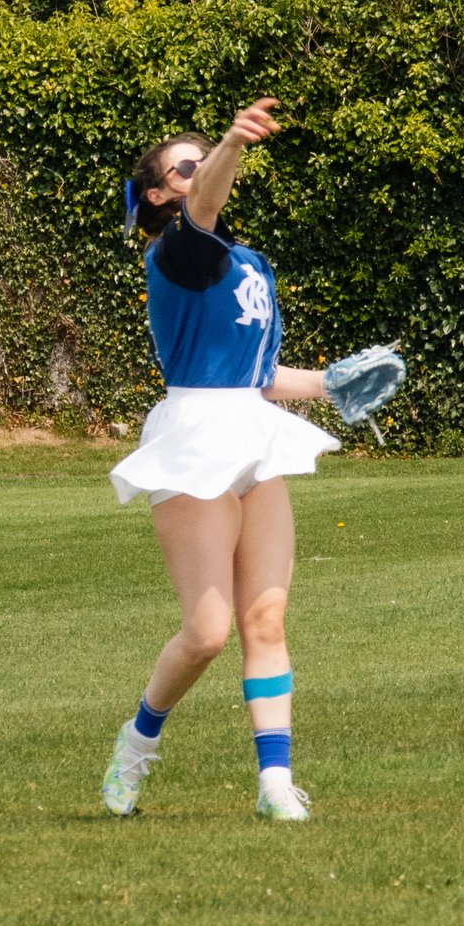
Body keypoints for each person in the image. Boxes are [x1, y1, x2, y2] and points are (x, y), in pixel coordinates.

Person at [102, 98, 341, 823]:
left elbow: (260, 376)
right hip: (195, 437)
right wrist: (233, 142)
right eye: (184, 164)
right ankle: (137, 742)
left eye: (202, 155)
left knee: (266, 619)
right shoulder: (177, 251)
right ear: (157, 193)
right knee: (207, 633)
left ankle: (275, 784)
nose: (198, 169)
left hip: (251, 429)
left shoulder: (251, 263)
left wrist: (334, 384)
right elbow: (205, 201)